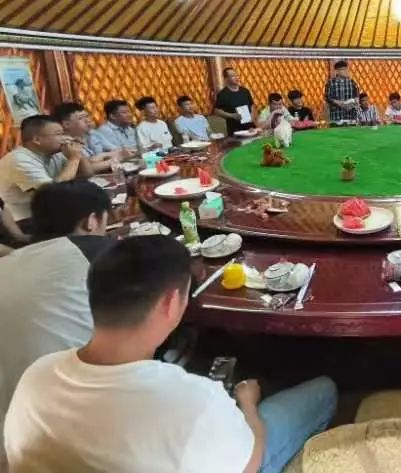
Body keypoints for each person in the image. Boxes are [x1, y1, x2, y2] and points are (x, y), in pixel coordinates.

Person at [4, 236, 338, 473]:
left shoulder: (36, 375)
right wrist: (248, 404)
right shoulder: (192, 399)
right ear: (169, 303)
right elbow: (250, 463)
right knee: (325, 390)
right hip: (233, 447)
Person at [0, 181, 112, 463]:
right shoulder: (89, 249)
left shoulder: (9, 263)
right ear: (91, 221)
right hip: (79, 424)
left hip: (12, 436)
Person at [0, 115, 92, 222]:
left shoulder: (56, 154)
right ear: (37, 140)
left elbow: (87, 174)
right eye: (58, 134)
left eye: (64, 134)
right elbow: (55, 191)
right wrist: (74, 159)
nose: (65, 138)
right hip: (21, 221)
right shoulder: (19, 160)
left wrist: (78, 153)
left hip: (47, 213)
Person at [53, 102, 125, 172]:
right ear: (66, 124)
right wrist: (113, 159)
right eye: (81, 118)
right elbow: (86, 168)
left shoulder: (92, 133)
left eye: (87, 116)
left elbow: (115, 150)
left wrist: (102, 156)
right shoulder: (65, 144)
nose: (88, 120)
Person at [214, 67, 256, 136]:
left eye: (236, 75)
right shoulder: (223, 94)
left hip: (250, 127)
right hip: (235, 129)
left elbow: (252, 105)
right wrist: (232, 115)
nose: (236, 77)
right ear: (226, 79)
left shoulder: (245, 91)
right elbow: (217, 111)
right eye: (233, 76)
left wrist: (252, 116)